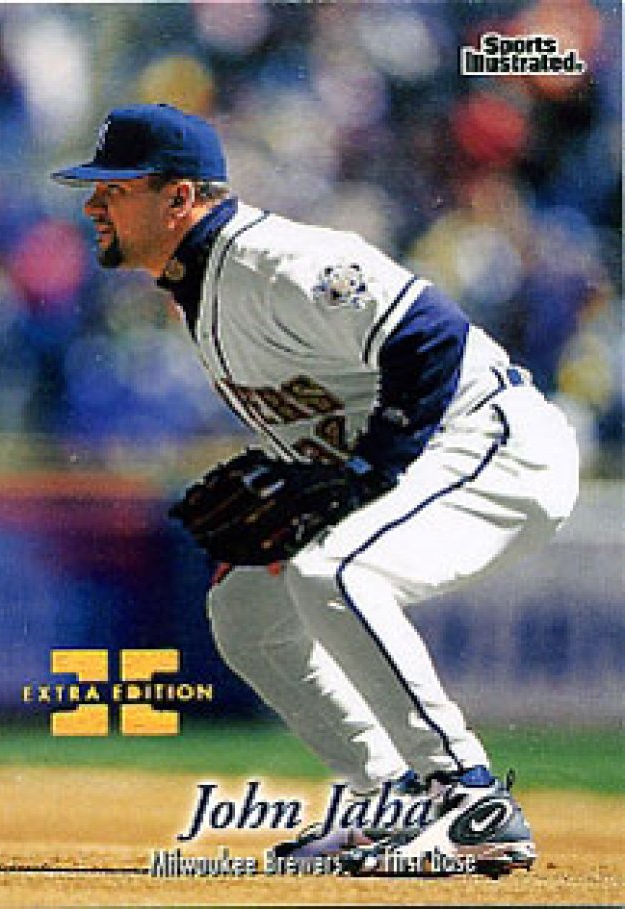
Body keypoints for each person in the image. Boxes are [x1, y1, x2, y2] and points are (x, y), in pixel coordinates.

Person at [52, 104, 579, 876]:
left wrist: (365, 474)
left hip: (498, 444)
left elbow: (430, 335)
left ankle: (470, 799)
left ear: (179, 198)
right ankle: (387, 798)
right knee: (245, 612)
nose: (94, 204)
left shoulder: (275, 259)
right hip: (430, 454)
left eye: (115, 189)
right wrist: (313, 480)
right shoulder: (200, 286)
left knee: (335, 570)